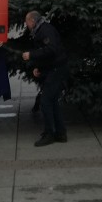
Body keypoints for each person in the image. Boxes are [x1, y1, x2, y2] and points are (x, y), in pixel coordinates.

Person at [22, 11, 69, 147]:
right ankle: (60, 133)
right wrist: (40, 68)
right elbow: (48, 54)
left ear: (32, 21)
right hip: (55, 68)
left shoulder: (44, 30)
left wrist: (31, 55)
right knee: (53, 100)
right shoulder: (41, 30)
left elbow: (51, 50)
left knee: (46, 101)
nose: (26, 24)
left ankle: (50, 134)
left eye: (26, 21)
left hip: (56, 70)